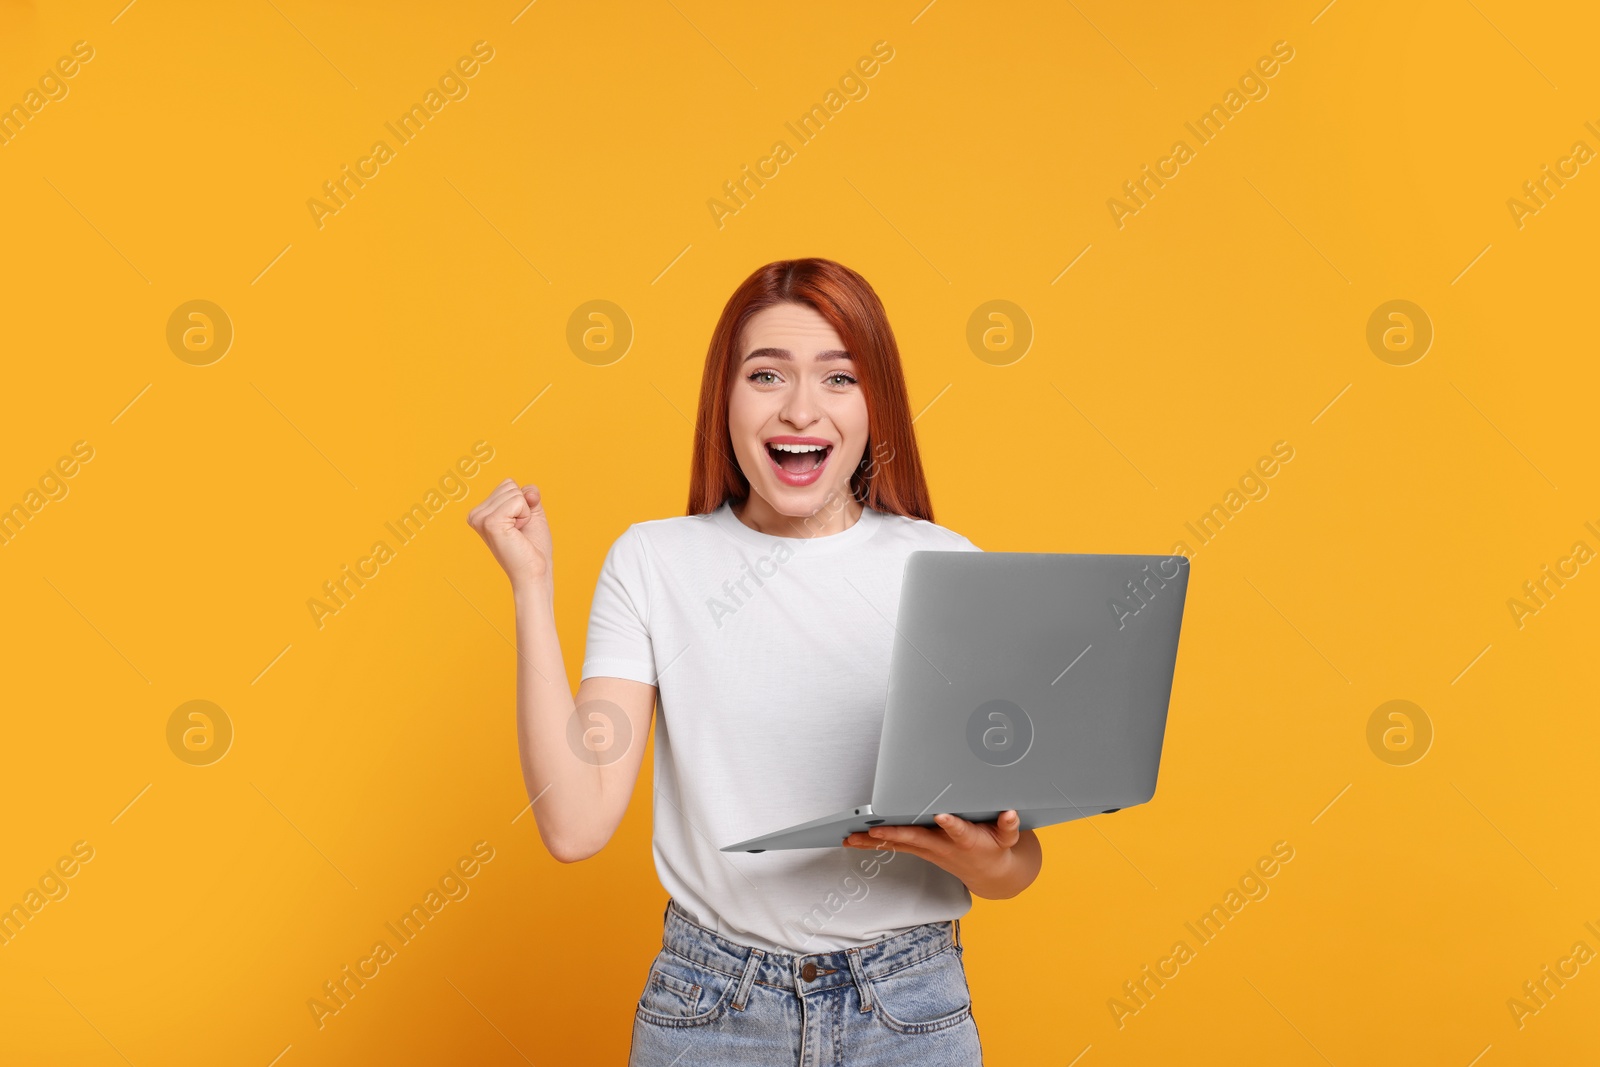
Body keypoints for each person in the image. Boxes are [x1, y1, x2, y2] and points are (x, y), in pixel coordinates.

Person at [467, 258, 1042, 1065]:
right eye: (766, 373)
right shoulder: (653, 561)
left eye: (839, 378)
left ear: (876, 405)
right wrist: (532, 588)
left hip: (909, 1009)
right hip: (711, 1011)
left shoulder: (946, 566)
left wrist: (994, 859)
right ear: (724, 397)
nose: (800, 407)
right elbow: (575, 822)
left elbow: (1016, 865)